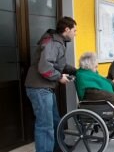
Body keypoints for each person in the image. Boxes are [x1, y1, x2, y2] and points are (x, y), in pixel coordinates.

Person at [25, 17, 77, 152]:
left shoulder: (58, 41)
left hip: (46, 88)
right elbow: (45, 67)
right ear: (67, 29)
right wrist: (59, 77)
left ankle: (57, 148)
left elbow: (60, 64)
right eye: (74, 30)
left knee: (55, 121)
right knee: (45, 126)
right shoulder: (54, 42)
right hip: (39, 89)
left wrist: (78, 71)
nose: (75, 33)